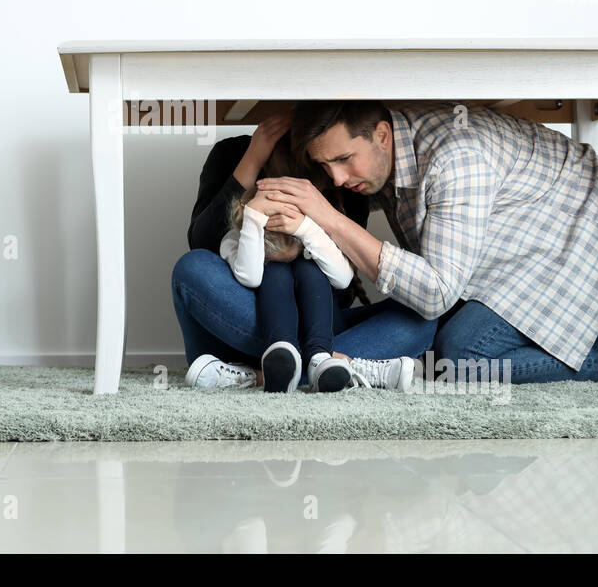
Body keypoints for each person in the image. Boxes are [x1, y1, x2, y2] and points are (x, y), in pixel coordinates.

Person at [254, 100, 598, 384]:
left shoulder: (453, 160)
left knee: (459, 359)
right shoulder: (390, 159)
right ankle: (577, 338)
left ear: (381, 134)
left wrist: (327, 217)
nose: (336, 178)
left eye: (344, 160)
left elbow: (436, 292)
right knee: (437, 334)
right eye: (326, 167)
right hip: (532, 246)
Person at [173, 110, 431, 391]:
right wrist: (253, 161)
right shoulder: (233, 153)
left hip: (319, 320)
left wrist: (311, 225)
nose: (336, 174)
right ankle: (337, 365)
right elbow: (203, 244)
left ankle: (260, 374)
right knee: (192, 267)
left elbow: (342, 290)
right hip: (250, 315)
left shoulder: (337, 175)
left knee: (421, 315)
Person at [219, 133, 360, 393]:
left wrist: (306, 229)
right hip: (267, 329)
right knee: (276, 272)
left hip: (323, 329)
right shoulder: (237, 237)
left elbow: (343, 279)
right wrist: (253, 218)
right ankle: (283, 357)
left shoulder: (311, 238)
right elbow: (250, 277)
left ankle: (319, 360)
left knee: (310, 270)